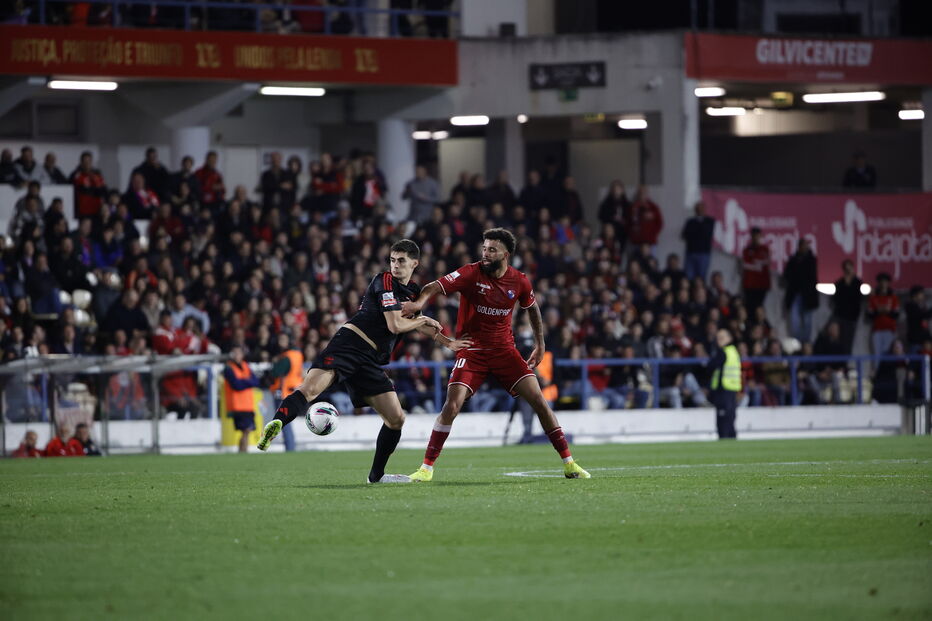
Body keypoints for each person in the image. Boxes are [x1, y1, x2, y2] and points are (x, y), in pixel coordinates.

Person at [257, 239, 468, 484]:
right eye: (392, 260)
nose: (395, 265)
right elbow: (396, 325)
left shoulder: (413, 291)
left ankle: (376, 477)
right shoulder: (384, 280)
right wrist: (423, 319)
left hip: (369, 360)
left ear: (414, 263)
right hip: (348, 345)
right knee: (309, 390)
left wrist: (448, 342)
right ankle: (277, 423)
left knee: (396, 419)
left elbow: (417, 324)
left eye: (401, 261)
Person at [401, 228, 591, 480]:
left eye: (492, 250)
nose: (486, 254)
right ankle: (426, 469)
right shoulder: (471, 273)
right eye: (484, 248)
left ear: (506, 254)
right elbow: (434, 286)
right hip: (472, 351)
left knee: (539, 401)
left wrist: (540, 343)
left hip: (504, 351)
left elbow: (532, 309)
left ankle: (569, 463)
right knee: (452, 405)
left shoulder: (520, 281)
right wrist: (419, 303)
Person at [264, 332, 305, 452]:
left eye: (283, 339)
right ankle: (290, 447)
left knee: (282, 422)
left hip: (283, 392)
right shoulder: (298, 354)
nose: (280, 342)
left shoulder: (286, 357)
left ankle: (290, 448)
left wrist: (275, 363)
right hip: (294, 391)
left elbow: (275, 372)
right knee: (286, 422)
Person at [223, 344, 260, 453]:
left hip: (248, 404)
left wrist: (244, 382)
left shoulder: (245, 366)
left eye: (238, 353)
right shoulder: (229, 368)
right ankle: (243, 451)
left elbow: (256, 382)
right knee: (246, 429)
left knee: (247, 430)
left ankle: (243, 451)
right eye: (234, 353)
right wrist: (248, 382)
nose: (236, 355)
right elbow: (236, 385)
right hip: (237, 405)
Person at [782, 238, 818, 344]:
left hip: (808, 296)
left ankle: (806, 344)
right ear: (799, 247)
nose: (804, 248)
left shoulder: (811, 260)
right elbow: (787, 275)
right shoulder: (793, 259)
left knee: (807, 321)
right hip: (795, 294)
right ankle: (797, 343)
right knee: (795, 321)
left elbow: (811, 277)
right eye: (802, 245)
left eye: (806, 246)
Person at [706, 329, 741, 439]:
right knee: (731, 414)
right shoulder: (734, 351)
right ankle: (731, 436)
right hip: (732, 387)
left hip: (723, 388)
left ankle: (724, 436)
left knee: (723, 415)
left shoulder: (723, 352)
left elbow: (711, 366)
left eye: (722, 338)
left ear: (729, 338)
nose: (719, 340)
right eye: (718, 338)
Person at [831, 259, 864, 354]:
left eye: (850, 268)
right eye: (846, 269)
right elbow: (836, 299)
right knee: (839, 341)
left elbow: (858, 299)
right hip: (841, 316)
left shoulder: (857, 282)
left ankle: (846, 360)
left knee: (848, 342)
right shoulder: (840, 283)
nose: (848, 271)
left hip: (852, 317)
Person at [681, 200, 715, 282]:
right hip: (691, 252)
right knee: (688, 276)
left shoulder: (710, 221)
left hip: (704, 253)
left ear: (704, 209)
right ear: (695, 210)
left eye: (701, 208)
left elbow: (708, 234)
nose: (699, 210)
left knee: (701, 277)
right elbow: (685, 235)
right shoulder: (690, 221)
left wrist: (696, 233)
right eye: (698, 208)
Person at [867, 273, 899, 356]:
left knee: (888, 353)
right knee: (877, 354)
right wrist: (879, 311)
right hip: (877, 330)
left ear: (888, 283)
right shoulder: (874, 297)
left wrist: (888, 311)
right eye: (881, 281)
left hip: (890, 329)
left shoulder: (893, 297)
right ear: (878, 283)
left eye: (885, 282)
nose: (883, 284)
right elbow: (869, 314)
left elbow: (896, 314)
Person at [741, 227, 771, 316]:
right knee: (749, 307)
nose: (755, 238)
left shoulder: (765, 249)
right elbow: (746, 264)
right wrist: (756, 264)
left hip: (762, 284)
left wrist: (756, 263)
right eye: (754, 235)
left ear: (760, 236)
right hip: (750, 284)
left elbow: (766, 263)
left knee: (759, 306)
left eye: (757, 235)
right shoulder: (747, 250)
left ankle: (759, 324)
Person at [904, 286, 931, 352]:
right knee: (915, 357)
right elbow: (922, 315)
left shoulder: (922, 306)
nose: (923, 295)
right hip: (915, 340)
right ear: (915, 295)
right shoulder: (910, 305)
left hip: (924, 341)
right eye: (921, 293)